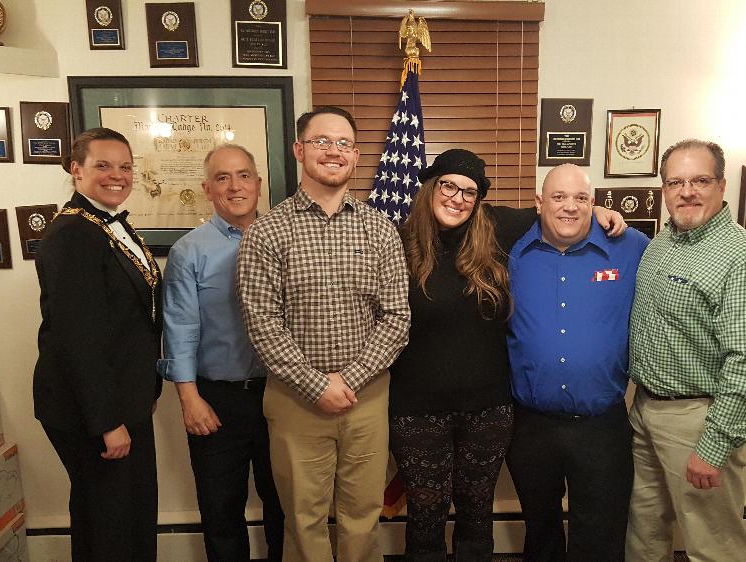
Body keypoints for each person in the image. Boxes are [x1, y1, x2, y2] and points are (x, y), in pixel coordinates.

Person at [389, 152, 627, 562]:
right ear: (430, 188)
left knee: (477, 515)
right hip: (417, 411)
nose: (458, 198)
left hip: (488, 410)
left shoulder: (497, 231)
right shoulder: (397, 242)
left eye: (469, 191)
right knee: (425, 517)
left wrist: (597, 209)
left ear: (480, 199)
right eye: (448, 186)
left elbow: (561, 211)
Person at [237, 106, 411, 562]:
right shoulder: (267, 231)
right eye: (321, 142)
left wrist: (348, 380)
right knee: (303, 517)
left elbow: (396, 318)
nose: (333, 152)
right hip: (296, 401)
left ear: (355, 157)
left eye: (343, 145)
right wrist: (317, 385)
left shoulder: (381, 229)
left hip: (366, 398)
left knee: (362, 514)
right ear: (299, 150)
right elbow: (262, 323)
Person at [625, 139, 746, 562]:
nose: (687, 191)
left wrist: (713, 445)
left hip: (697, 417)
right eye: (675, 182)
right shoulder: (660, 243)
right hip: (643, 409)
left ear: (722, 185)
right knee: (643, 530)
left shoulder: (743, 258)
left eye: (700, 180)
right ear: (664, 189)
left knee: (713, 544)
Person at [505, 163, 649, 562]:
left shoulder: (631, 247)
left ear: (595, 203)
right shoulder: (509, 248)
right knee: (541, 530)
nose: (569, 207)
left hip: (601, 426)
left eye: (581, 198)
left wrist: (602, 215)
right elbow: (469, 211)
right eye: (559, 197)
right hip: (531, 426)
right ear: (538, 203)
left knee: (601, 535)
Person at [33, 127, 162, 561]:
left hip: (122, 397)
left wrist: (144, 392)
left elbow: (127, 323)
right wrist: (107, 421)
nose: (117, 176)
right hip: (92, 410)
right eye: (102, 165)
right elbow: (78, 338)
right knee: (111, 523)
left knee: (124, 514)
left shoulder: (104, 226)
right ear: (76, 170)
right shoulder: (73, 234)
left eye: (125, 166)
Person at [158, 144, 284, 561]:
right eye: (223, 178)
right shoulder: (188, 251)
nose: (235, 186)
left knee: (286, 506)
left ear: (259, 184)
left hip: (283, 395)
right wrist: (189, 399)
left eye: (244, 175)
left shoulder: (287, 242)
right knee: (221, 511)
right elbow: (180, 328)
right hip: (217, 400)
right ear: (207, 189)